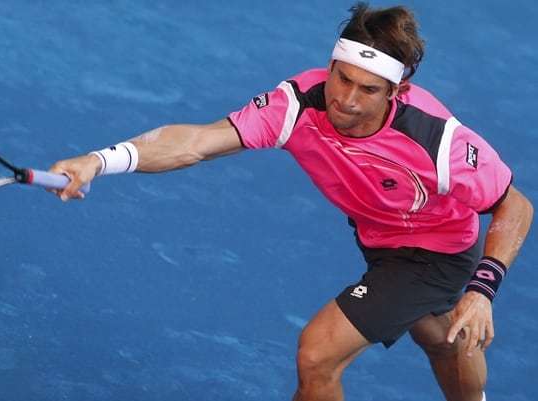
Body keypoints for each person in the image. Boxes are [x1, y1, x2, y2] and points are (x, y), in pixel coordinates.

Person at [48, 3, 533, 401]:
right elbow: (197, 141)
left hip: (435, 253)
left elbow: (516, 205)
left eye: (368, 90)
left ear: (397, 91)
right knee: (442, 339)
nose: (346, 99)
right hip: (380, 236)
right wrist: (99, 160)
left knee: (317, 355)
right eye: (342, 78)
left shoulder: (438, 141)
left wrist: (482, 289)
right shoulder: (300, 103)